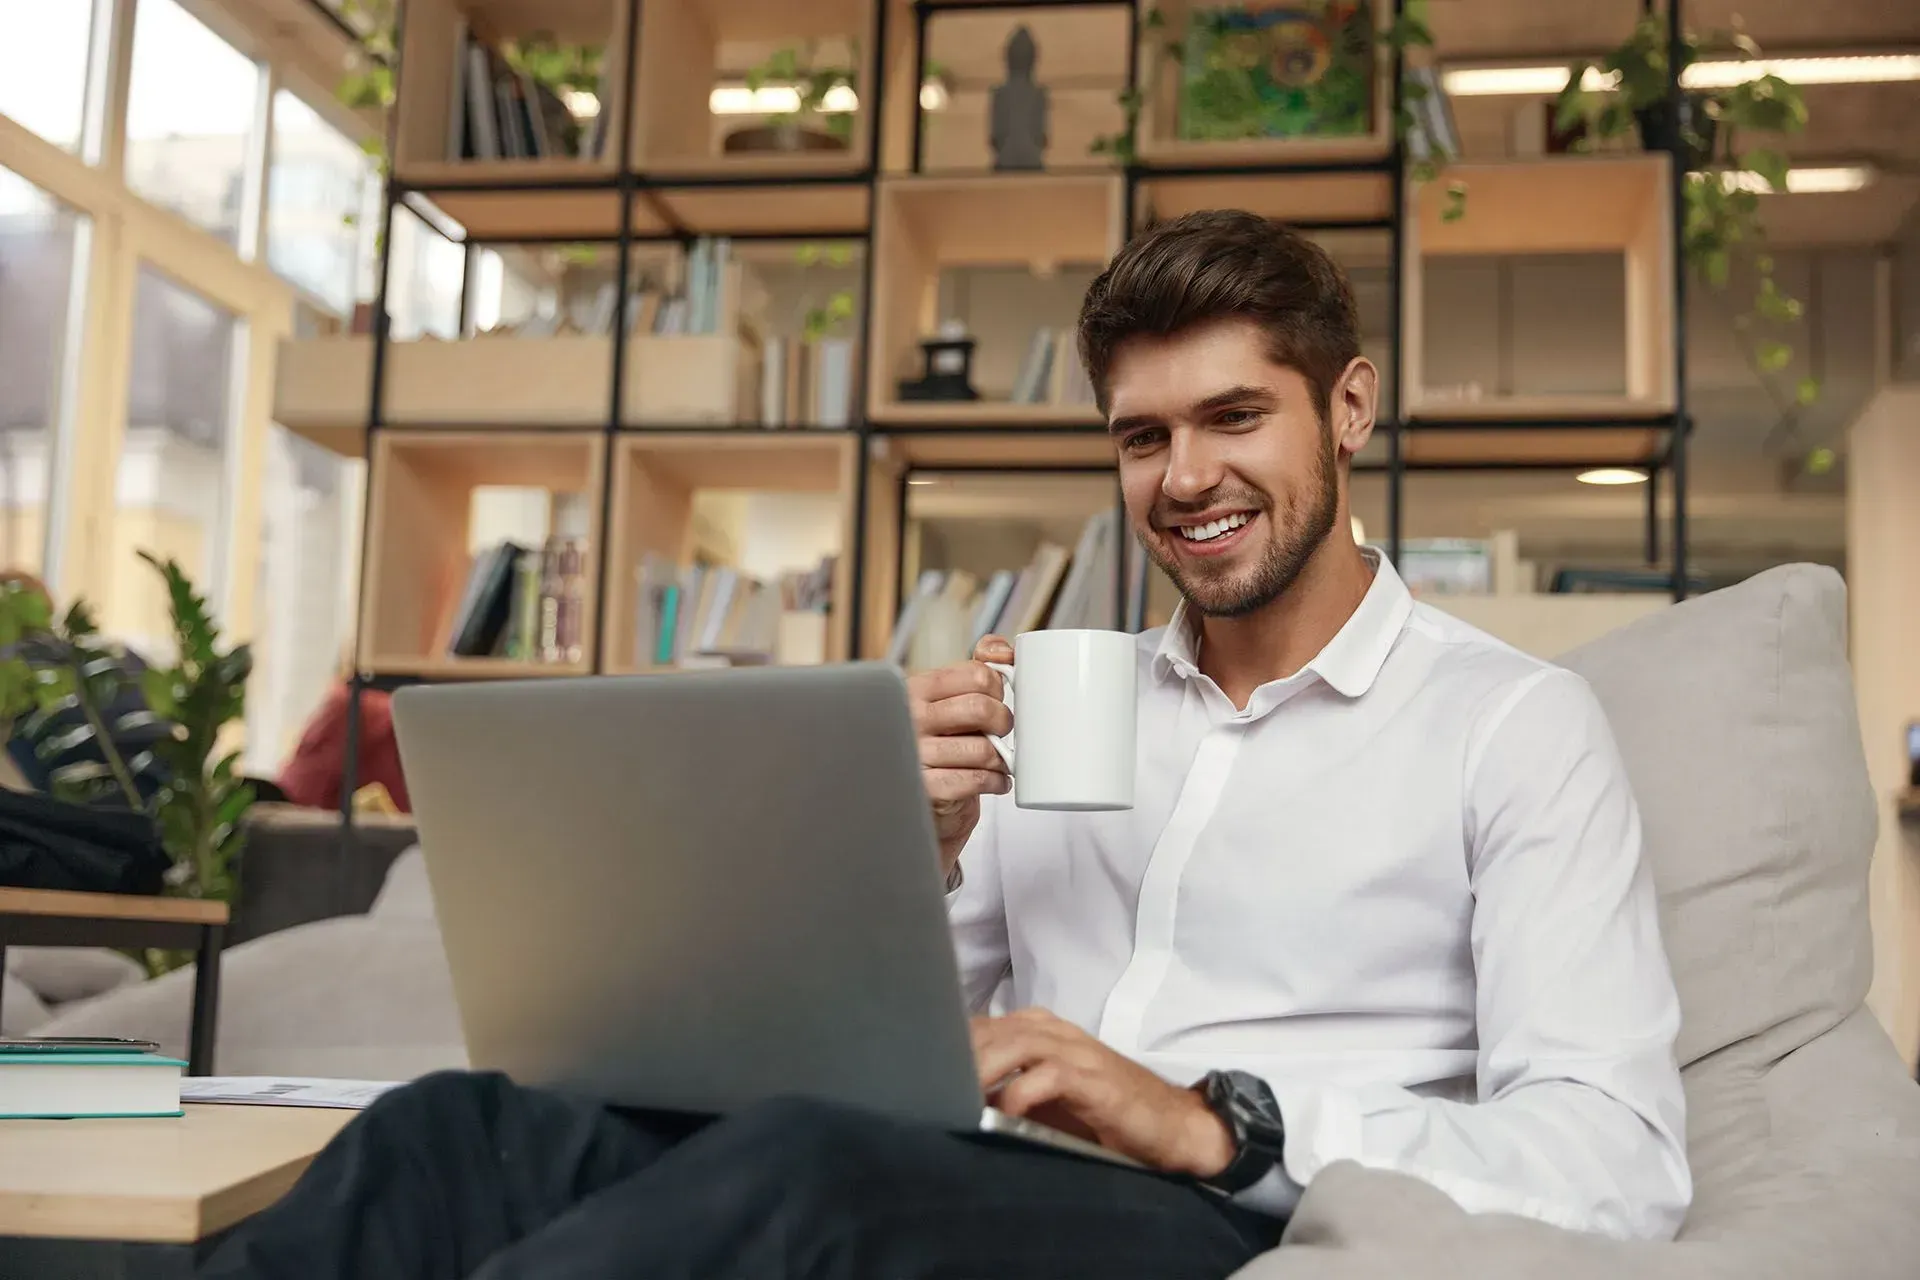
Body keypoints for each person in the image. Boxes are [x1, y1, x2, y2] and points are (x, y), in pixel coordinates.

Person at [198, 210, 1690, 1280]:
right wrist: (911, 847)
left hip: (1230, 1216)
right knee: (462, 1131)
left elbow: (1619, 1161)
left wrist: (1211, 1124)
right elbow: (890, 1044)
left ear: (1347, 408)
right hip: (964, 1165)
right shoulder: (1060, 700)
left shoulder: (1508, 725)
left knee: (806, 1187)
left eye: (1235, 415)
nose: (1185, 477)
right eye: (1141, 435)